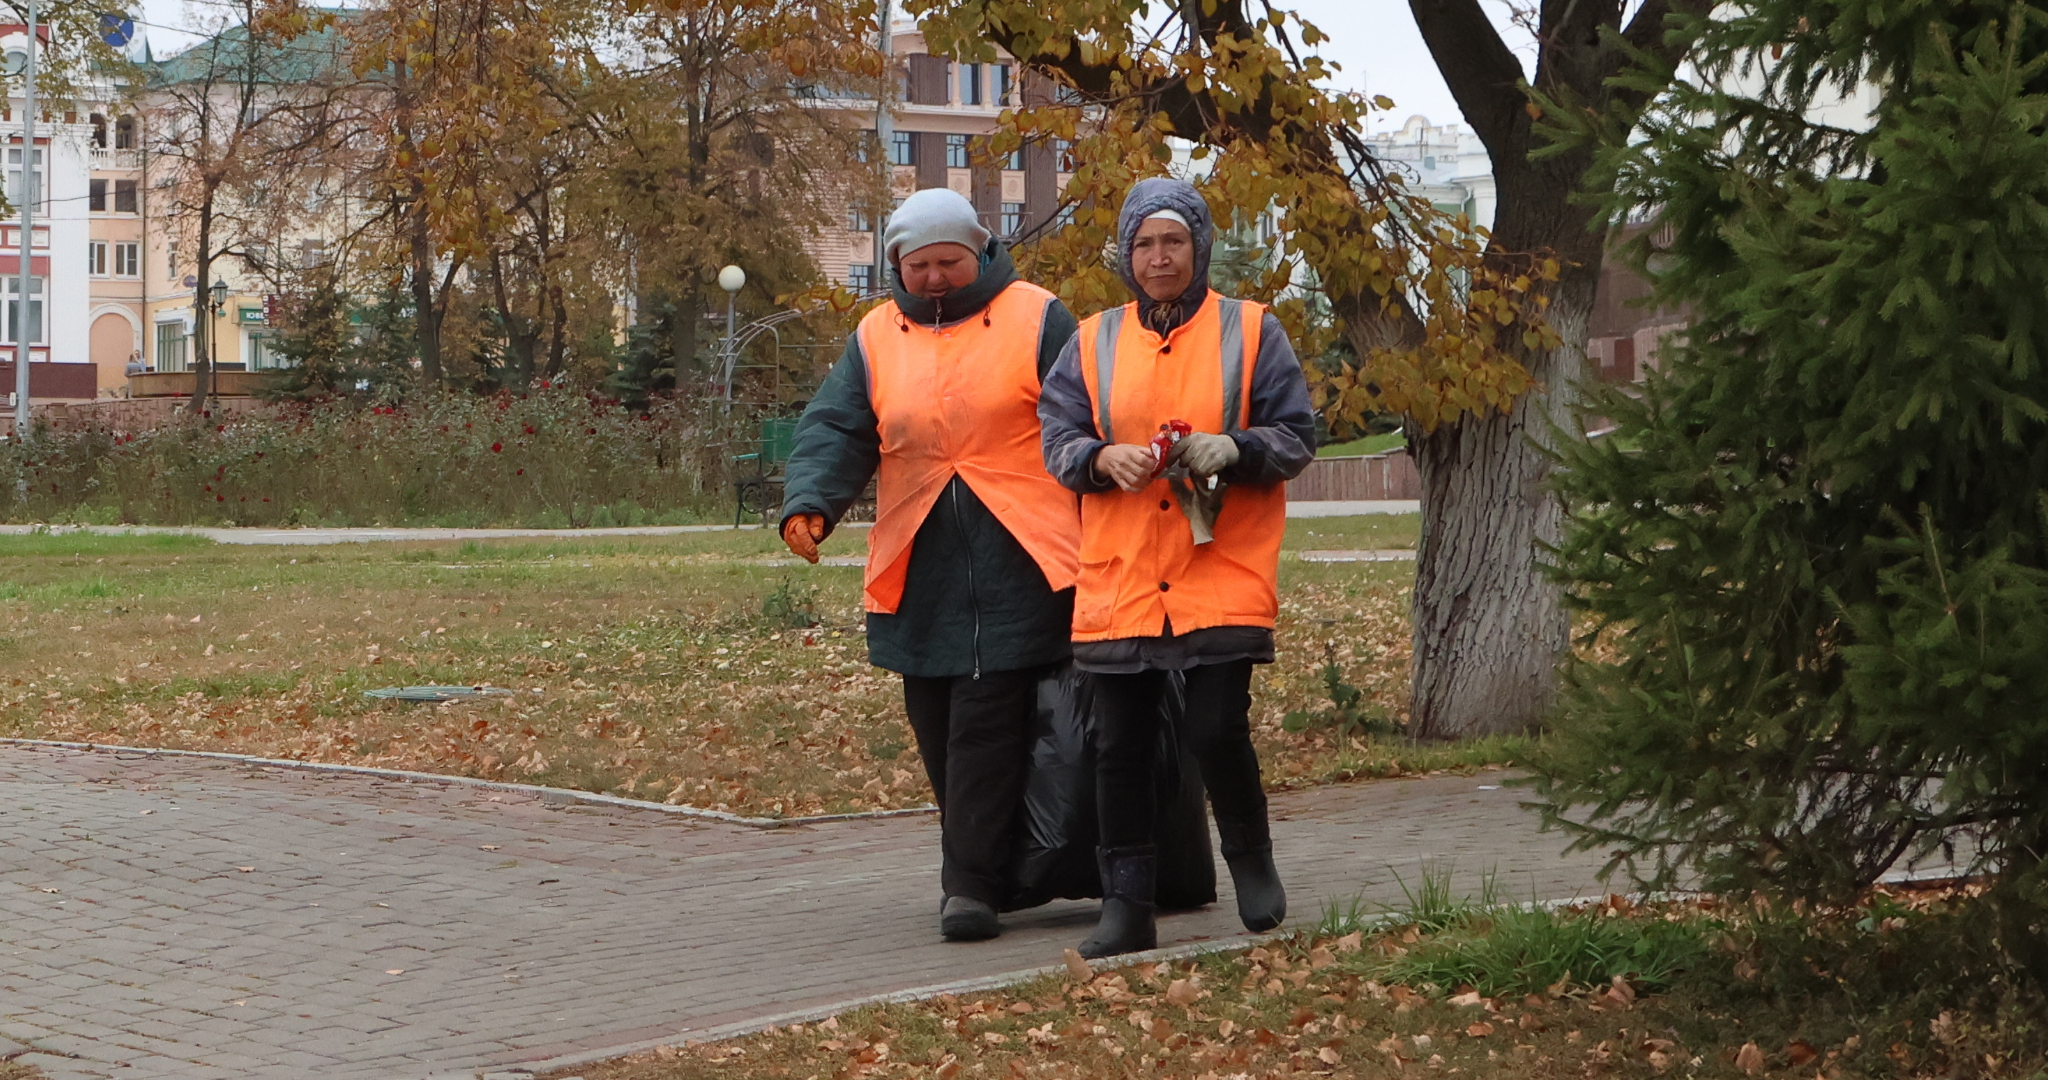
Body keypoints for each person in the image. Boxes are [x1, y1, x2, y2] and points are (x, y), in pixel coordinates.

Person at [780, 187, 1082, 942]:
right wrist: (810, 502)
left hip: (1025, 553)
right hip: (920, 560)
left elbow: (1085, 413)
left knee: (985, 717)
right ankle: (999, 866)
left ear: (980, 250)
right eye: (921, 266)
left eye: (950, 262)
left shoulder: (1038, 315)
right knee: (936, 718)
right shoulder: (876, 335)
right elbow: (838, 426)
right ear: (896, 266)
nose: (937, 279)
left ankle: (970, 889)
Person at [1039, 177, 1317, 958]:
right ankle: (1127, 903)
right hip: (1122, 571)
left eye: (1173, 242)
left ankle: (1252, 865)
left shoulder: (1253, 330)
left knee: (1214, 728)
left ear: (1198, 248)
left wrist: (1239, 447)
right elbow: (1055, 436)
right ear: (1128, 255)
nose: (1159, 258)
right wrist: (1099, 458)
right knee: (1118, 744)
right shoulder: (1092, 339)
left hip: (1220, 565)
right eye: (1145, 244)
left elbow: (1297, 434)